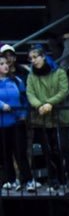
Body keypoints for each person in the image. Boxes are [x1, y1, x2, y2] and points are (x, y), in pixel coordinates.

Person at [26, 46, 69, 191]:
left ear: (43, 56)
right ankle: (53, 179)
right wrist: (39, 105)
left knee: (60, 148)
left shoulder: (58, 72)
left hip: (58, 115)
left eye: (35, 57)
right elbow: (30, 93)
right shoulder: (31, 76)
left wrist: (50, 103)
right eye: (31, 58)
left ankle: (64, 177)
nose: (33, 60)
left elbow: (63, 91)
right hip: (41, 117)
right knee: (47, 150)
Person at [1, 56, 30, 191]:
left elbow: (24, 99)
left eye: (6, 63)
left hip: (17, 122)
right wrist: (1, 105)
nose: (5, 66)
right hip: (2, 123)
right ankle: (9, 180)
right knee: (5, 153)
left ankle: (27, 179)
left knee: (20, 152)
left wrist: (24, 114)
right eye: (1, 64)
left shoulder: (17, 81)